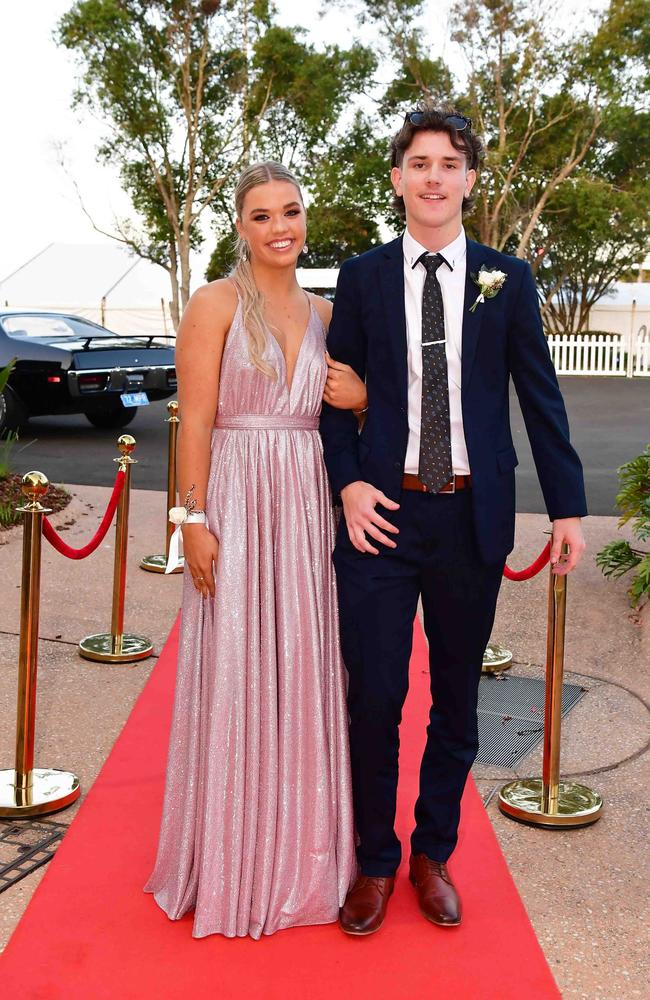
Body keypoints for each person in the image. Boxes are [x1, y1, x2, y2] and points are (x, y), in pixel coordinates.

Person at [320, 105, 587, 936]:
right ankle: (374, 861)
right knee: (376, 697)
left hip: (474, 516)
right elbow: (334, 396)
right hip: (383, 515)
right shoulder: (361, 279)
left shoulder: (507, 276)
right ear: (398, 178)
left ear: (470, 180)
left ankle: (434, 853)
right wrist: (347, 487)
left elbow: (540, 397)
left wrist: (569, 506)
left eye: (450, 162)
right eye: (420, 162)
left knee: (456, 706)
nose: (434, 176)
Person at [145, 161, 365, 939]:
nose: (281, 228)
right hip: (235, 496)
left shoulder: (331, 312)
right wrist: (190, 520)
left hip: (306, 503)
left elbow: (356, 411)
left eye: (293, 212)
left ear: (307, 220)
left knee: (306, 664)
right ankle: (235, 857)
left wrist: (363, 397)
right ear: (240, 225)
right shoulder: (214, 304)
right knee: (238, 662)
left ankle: (306, 855)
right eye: (264, 215)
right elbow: (194, 421)